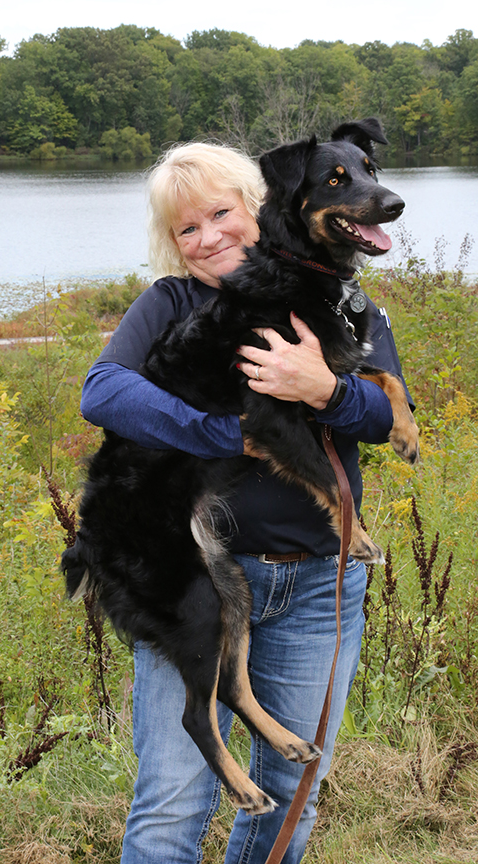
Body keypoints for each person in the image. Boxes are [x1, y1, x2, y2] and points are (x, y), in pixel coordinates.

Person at [80, 142, 411, 864]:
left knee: (295, 790)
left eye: (222, 214)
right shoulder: (171, 301)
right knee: (173, 799)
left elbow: (387, 422)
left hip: (321, 578)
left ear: (267, 203)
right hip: (190, 565)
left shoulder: (344, 303)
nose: (209, 238)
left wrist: (322, 388)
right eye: (185, 230)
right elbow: (101, 392)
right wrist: (221, 432)